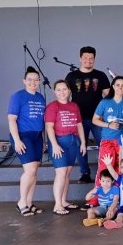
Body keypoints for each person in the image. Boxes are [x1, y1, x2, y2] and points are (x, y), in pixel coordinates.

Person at [65, 46, 110, 184]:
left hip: (97, 118)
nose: (88, 60)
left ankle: (106, 172)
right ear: (80, 59)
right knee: (80, 146)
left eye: (91, 58)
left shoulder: (101, 75)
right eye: (85, 58)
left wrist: (105, 114)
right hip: (78, 119)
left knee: (104, 145)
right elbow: (65, 97)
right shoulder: (71, 76)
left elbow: (108, 96)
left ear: (94, 59)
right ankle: (84, 173)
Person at [89, 76, 123, 207]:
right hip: (107, 140)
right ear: (113, 87)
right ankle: (96, 200)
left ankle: (118, 199)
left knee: (120, 169)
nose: (120, 87)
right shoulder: (105, 102)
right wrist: (108, 125)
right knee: (104, 168)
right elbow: (95, 120)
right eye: (118, 85)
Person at [8, 66, 46, 217]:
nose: (33, 82)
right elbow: (12, 119)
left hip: (37, 137)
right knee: (29, 171)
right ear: (24, 81)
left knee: (34, 172)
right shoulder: (18, 96)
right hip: (23, 136)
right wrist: (17, 140)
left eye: (36, 80)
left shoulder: (40, 97)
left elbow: (41, 122)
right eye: (29, 80)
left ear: (39, 81)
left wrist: (43, 141)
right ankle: (22, 202)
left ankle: (29, 203)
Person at [45, 79, 86, 215]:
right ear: (54, 92)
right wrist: (54, 145)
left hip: (73, 142)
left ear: (69, 91)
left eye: (64, 89)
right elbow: (49, 127)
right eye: (58, 90)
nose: (62, 92)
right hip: (59, 143)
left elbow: (79, 125)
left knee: (67, 173)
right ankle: (57, 205)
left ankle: (63, 201)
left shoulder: (74, 106)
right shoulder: (52, 106)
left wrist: (83, 142)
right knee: (61, 173)